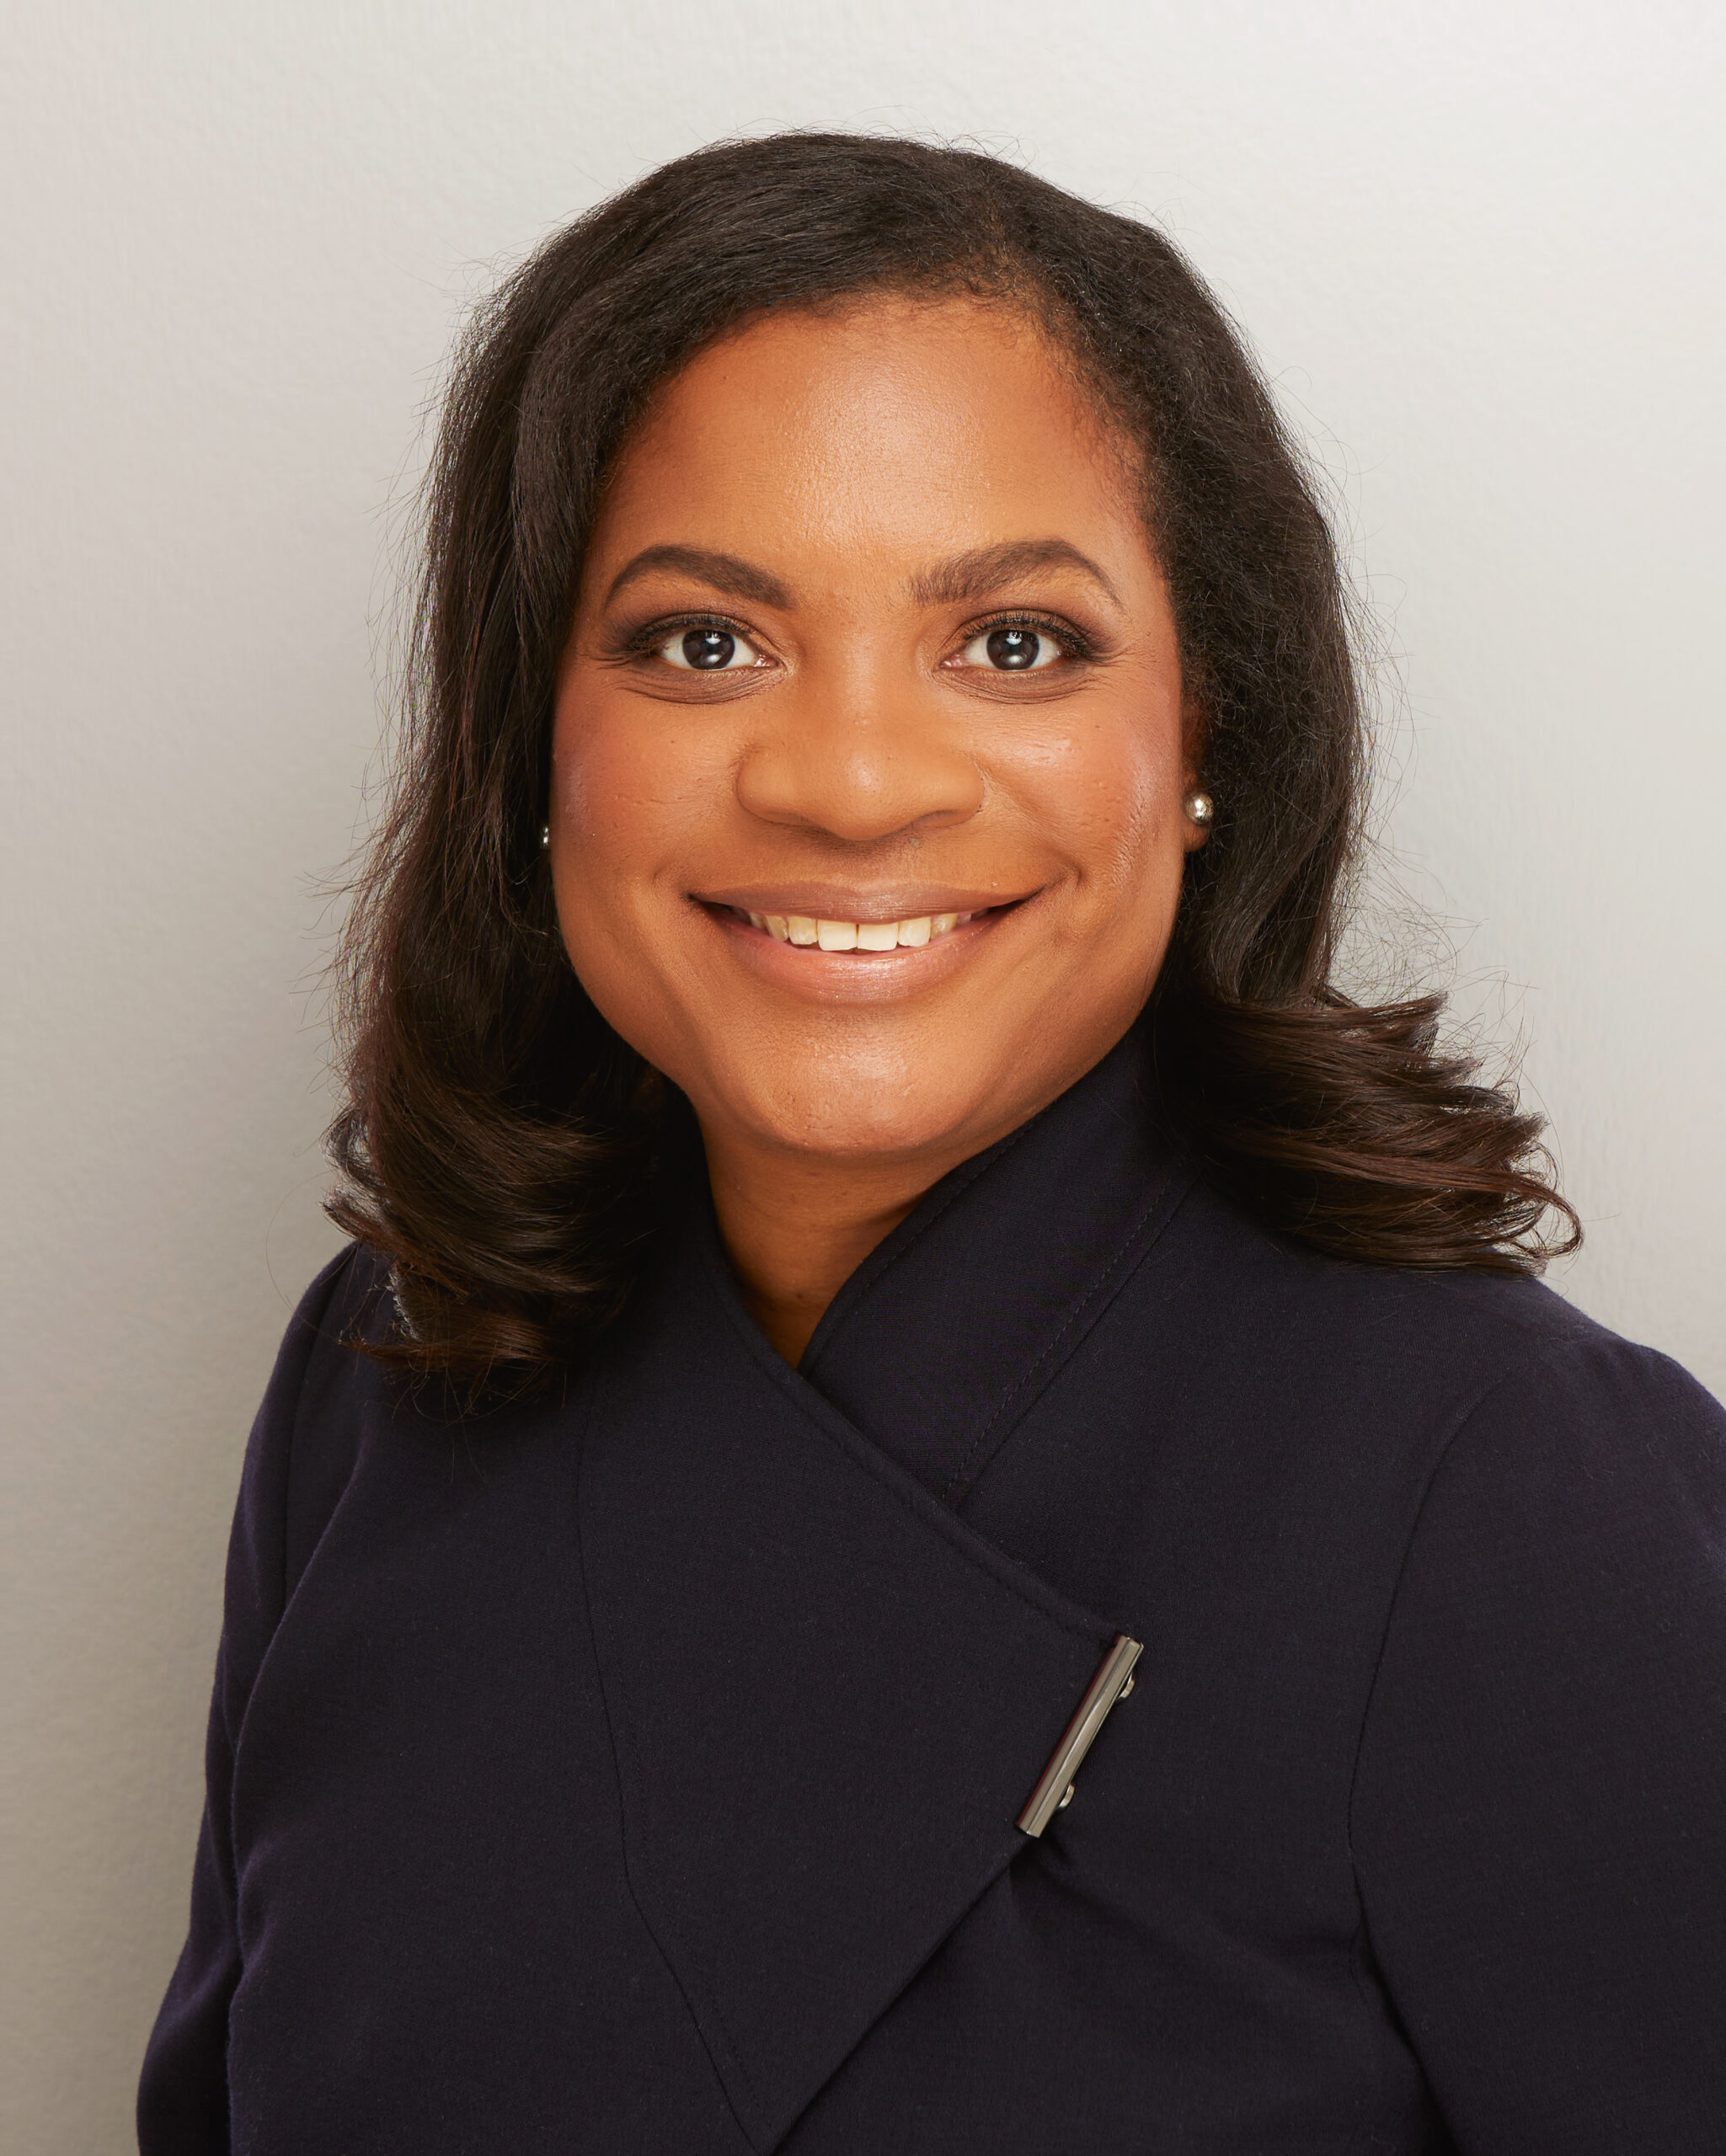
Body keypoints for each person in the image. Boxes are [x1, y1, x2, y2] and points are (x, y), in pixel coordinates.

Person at [138, 134, 1726, 2154]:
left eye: (1013, 643)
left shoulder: (1508, 1487)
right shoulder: (386, 1363)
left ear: (1206, 735)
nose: (852, 783)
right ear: (532, 739)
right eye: (703, 640)